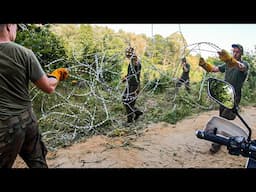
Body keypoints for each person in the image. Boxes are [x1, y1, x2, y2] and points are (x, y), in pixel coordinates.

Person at [0, 24, 69, 168]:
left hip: (5, 126)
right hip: (28, 121)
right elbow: (48, 87)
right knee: (38, 163)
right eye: (16, 28)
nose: (16, 31)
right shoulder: (24, 53)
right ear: (8, 26)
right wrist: (56, 75)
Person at [199, 43, 249, 154]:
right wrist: (205, 65)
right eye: (233, 51)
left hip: (234, 96)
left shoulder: (244, 64)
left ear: (241, 53)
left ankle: (216, 144)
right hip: (224, 94)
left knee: (224, 119)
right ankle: (221, 137)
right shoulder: (227, 64)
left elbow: (241, 67)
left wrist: (232, 61)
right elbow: (215, 69)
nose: (235, 53)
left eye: (237, 52)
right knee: (222, 117)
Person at [122, 47, 143, 126]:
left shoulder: (135, 61)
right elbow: (131, 74)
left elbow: (136, 65)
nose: (126, 54)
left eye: (128, 53)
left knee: (129, 102)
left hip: (135, 86)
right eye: (126, 52)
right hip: (130, 85)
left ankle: (130, 121)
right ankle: (137, 112)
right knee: (125, 100)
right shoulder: (131, 62)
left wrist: (134, 57)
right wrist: (125, 78)